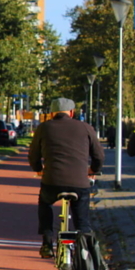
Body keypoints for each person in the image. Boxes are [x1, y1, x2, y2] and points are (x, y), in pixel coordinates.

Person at [28, 98, 103, 258]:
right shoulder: (85, 127)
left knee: (45, 203)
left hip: (52, 182)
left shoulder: (43, 128)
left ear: (52, 113)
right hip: (80, 183)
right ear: (71, 112)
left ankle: (47, 243)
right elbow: (99, 156)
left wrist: (38, 169)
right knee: (82, 219)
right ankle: (84, 253)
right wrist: (92, 170)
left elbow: (33, 154)